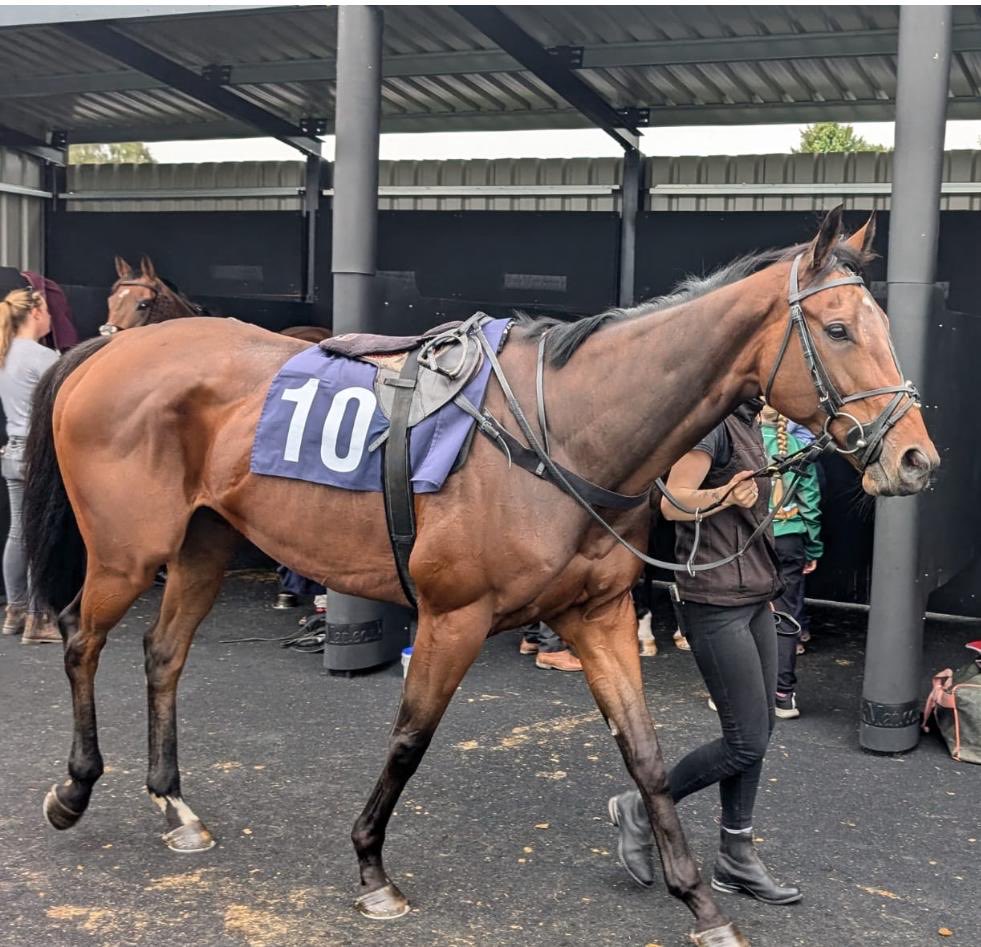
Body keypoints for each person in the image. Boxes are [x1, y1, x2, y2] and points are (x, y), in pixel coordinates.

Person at [607, 399, 801, 905]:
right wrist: (724, 496)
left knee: (761, 730)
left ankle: (735, 857)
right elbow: (673, 502)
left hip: (754, 596)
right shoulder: (712, 427)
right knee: (744, 741)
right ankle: (641, 806)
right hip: (714, 602)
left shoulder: (747, 424)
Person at [0, 285, 60, 643]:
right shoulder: (44, 357)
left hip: (13, 452)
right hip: (39, 455)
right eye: (48, 310)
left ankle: (15, 611)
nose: (52, 317)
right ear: (36, 313)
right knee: (41, 535)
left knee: (19, 532)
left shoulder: (4, 355)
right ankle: (39, 620)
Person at [761, 406, 823, 719]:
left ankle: (741, 693)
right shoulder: (800, 449)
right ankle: (783, 695)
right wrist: (812, 550)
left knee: (743, 615)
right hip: (790, 540)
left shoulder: (744, 443)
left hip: (752, 539)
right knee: (786, 616)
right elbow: (810, 505)